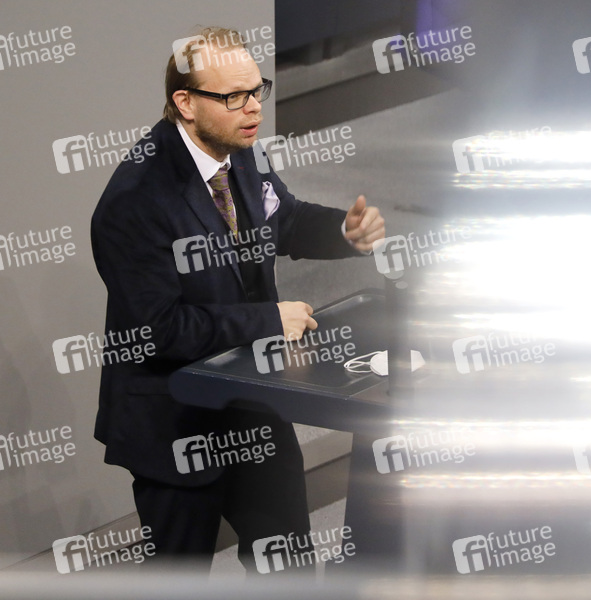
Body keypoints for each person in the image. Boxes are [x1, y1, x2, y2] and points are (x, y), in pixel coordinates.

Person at [90, 27, 384, 573]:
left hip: (254, 406)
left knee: (288, 566)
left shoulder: (239, 149)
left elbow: (282, 218)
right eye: (233, 97)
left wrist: (341, 232)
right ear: (185, 103)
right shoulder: (135, 201)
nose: (253, 109)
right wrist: (267, 321)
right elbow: (160, 330)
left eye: (256, 90)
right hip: (176, 425)